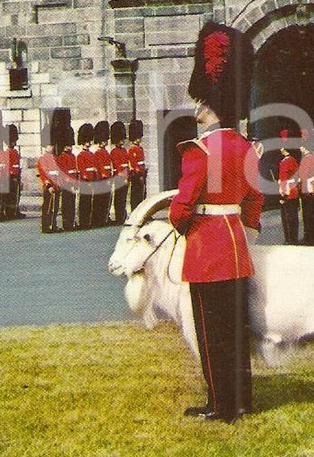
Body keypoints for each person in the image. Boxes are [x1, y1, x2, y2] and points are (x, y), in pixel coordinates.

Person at [169, 21, 262, 423]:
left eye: (200, 104)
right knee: (237, 330)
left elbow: (181, 207)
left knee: (211, 333)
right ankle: (241, 400)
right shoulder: (244, 147)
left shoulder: (198, 151)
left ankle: (220, 405)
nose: (197, 110)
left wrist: (180, 225)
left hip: (207, 248)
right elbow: (255, 197)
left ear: (208, 106)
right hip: (236, 247)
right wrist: (247, 229)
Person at [37, 125, 61, 234]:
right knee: (47, 207)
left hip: (56, 185)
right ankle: (46, 226)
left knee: (55, 207)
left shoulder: (55, 158)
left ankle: (53, 224)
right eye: (49, 145)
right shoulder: (42, 159)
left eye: (52, 145)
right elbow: (44, 174)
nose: (51, 147)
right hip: (49, 187)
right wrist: (49, 186)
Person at [277, 128, 300, 245]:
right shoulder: (293, 160)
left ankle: (290, 239)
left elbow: (284, 180)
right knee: (293, 215)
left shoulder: (285, 162)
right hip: (294, 191)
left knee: (287, 216)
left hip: (288, 191)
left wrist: (282, 194)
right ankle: (293, 237)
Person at [298, 129, 314, 245]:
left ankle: (310, 235)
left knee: (309, 212)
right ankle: (311, 234)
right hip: (311, 186)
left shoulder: (307, 158)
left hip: (308, 187)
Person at [76, 123, 97, 230]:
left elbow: (94, 167)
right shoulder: (80, 155)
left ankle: (88, 221)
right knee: (84, 202)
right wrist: (85, 178)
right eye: (86, 142)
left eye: (89, 142)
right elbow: (82, 169)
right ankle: (83, 222)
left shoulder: (91, 154)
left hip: (91, 180)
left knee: (89, 202)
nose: (88, 144)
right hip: (85, 181)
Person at [57, 124, 78, 231]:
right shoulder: (62, 157)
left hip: (72, 183)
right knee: (66, 204)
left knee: (72, 203)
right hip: (66, 183)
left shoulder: (72, 156)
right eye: (68, 145)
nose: (70, 147)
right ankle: (67, 223)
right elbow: (63, 172)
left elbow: (74, 170)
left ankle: (71, 221)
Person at [93, 120, 113, 228]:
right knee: (100, 200)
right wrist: (104, 175)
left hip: (107, 178)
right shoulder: (98, 153)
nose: (105, 142)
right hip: (101, 179)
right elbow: (99, 166)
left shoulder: (105, 152)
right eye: (103, 140)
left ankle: (105, 217)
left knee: (107, 199)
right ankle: (99, 219)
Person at [109, 121, 129, 225]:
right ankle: (119, 216)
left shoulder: (124, 151)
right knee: (119, 198)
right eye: (120, 139)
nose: (122, 141)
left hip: (125, 177)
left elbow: (126, 164)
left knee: (124, 197)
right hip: (118, 177)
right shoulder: (114, 152)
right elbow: (117, 165)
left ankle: (123, 215)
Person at [128, 119, 147, 212]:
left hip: (142, 173)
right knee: (136, 194)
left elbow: (141, 162)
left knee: (142, 194)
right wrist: (139, 173)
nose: (140, 139)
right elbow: (134, 163)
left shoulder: (140, 148)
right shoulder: (132, 149)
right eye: (138, 137)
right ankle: (135, 211)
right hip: (136, 175)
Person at [6, 125, 25, 220]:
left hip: (16, 174)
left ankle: (15, 210)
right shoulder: (7, 152)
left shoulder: (15, 151)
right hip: (11, 176)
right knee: (11, 195)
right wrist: (13, 174)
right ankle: (10, 212)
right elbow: (8, 165)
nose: (14, 143)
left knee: (16, 194)